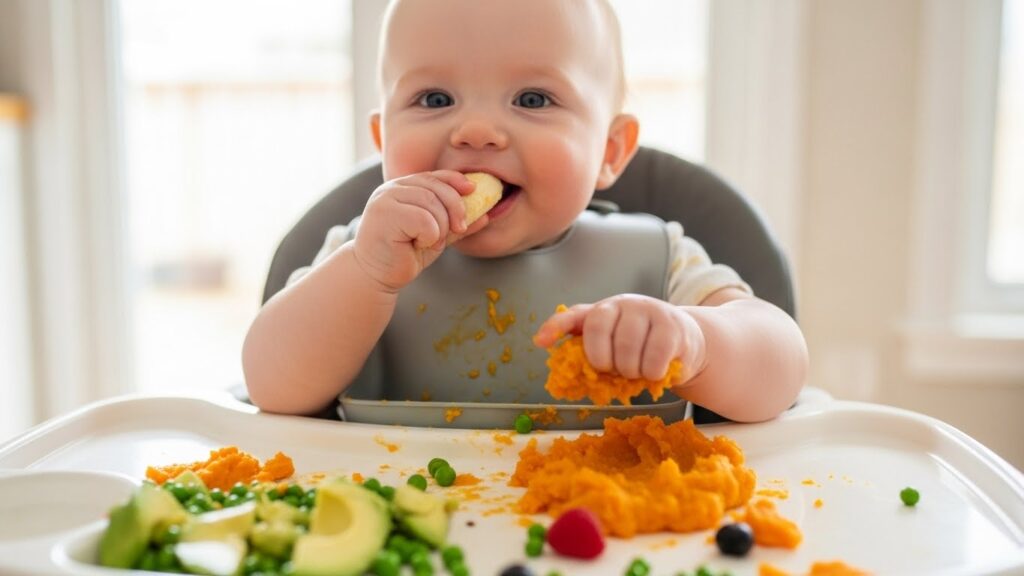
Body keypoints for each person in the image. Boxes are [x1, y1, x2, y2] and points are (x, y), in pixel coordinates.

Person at [242, 0, 808, 422]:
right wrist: (363, 274)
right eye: (434, 99)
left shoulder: (659, 262)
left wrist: (698, 342)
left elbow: (781, 368)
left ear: (609, 152)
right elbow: (270, 386)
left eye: (532, 99)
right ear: (383, 140)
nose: (477, 131)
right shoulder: (359, 256)